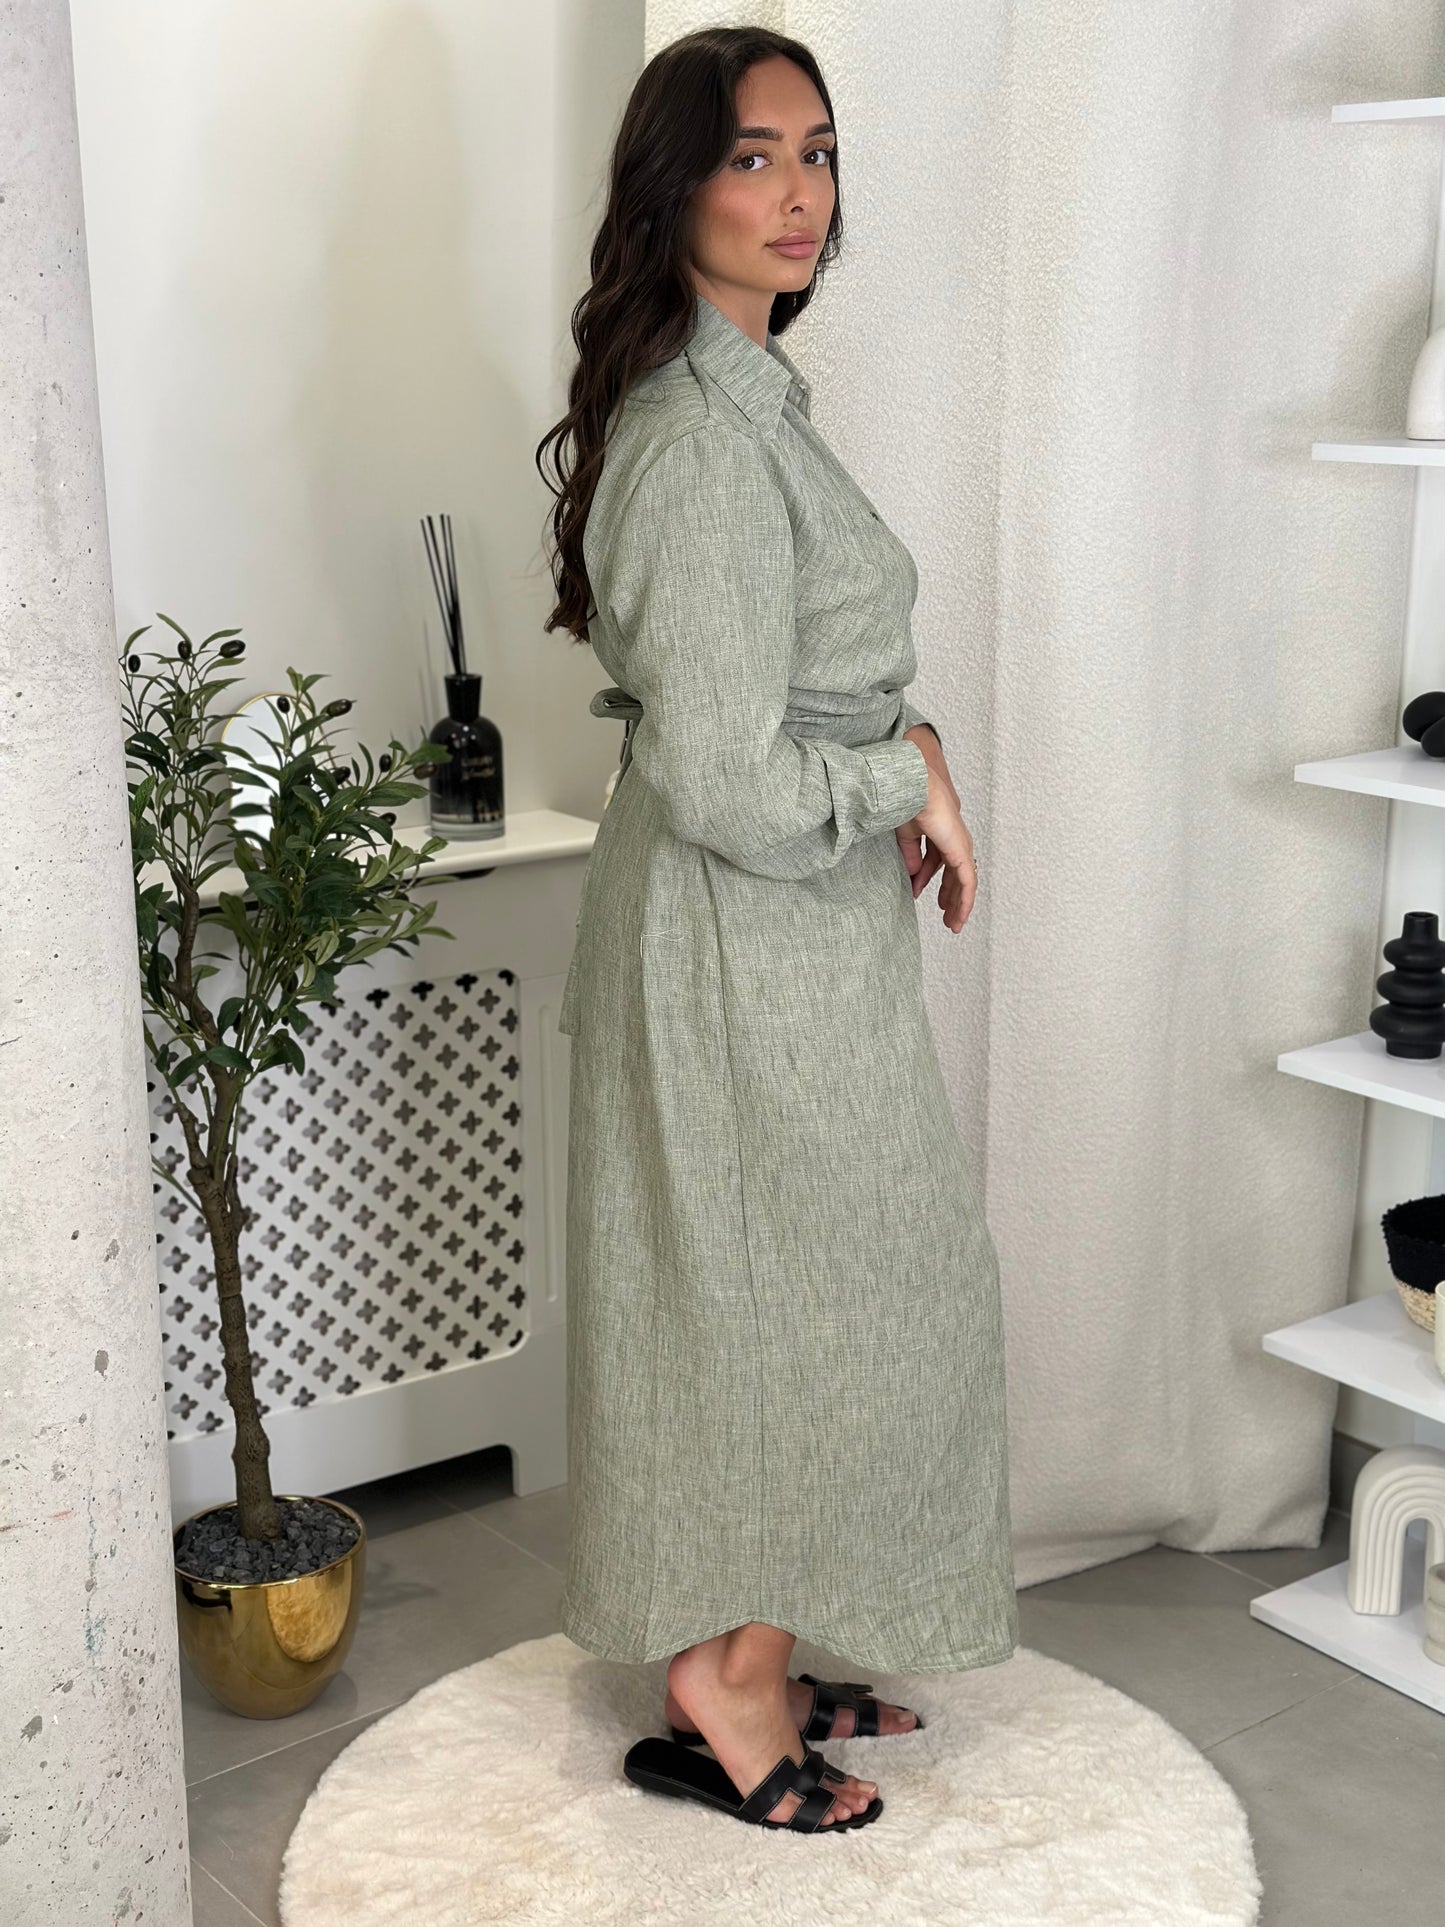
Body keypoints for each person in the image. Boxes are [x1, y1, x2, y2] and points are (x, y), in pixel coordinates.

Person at [536, 25, 1017, 1835]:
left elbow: (780, 700)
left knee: (819, 1296)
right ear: (674, 189)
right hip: (734, 946)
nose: (799, 191)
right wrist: (906, 772)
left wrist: (907, 753)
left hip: (790, 939)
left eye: (817, 152)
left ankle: (753, 1638)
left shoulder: (750, 404)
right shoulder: (696, 444)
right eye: (753, 156)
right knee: (784, 1305)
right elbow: (729, 778)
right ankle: (718, 1684)